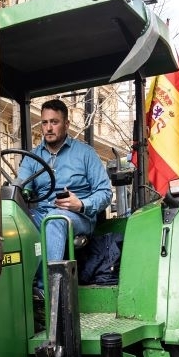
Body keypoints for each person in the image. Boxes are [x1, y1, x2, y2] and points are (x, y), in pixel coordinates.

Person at [18, 99, 112, 266]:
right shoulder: (32, 157)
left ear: (66, 124)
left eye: (54, 122)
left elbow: (105, 192)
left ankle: (46, 288)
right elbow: (22, 186)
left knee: (54, 219)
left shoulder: (86, 153)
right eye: (44, 122)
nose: (48, 128)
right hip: (40, 213)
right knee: (13, 223)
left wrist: (81, 204)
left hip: (78, 217)